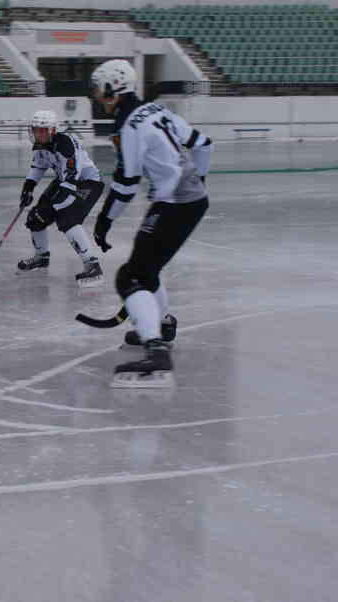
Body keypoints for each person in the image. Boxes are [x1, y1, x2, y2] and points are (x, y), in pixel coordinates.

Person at [89, 59, 212, 387]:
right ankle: (162, 326)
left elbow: (127, 182)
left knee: (131, 276)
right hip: (189, 201)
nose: (98, 97)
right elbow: (202, 144)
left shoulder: (129, 124)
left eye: (99, 90)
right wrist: (197, 180)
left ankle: (155, 350)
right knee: (146, 268)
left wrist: (104, 221)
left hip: (174, 205)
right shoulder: (158, 110)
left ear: (112, 89)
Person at [16, 109, 106, 288]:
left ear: (53, 130)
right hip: (64, 180)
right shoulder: (40, 147)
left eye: (44, 130)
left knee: (67, 218)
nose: (39, 134)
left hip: (87, 182)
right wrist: (28, 188)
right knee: (36, 217)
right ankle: (41, 257)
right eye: (36, 130)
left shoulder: (66, 145)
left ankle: (92, 265)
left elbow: (72, 179)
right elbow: (38, 167)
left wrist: (55, 206)